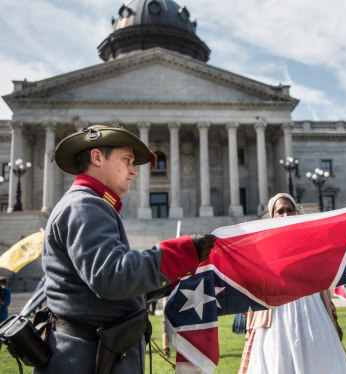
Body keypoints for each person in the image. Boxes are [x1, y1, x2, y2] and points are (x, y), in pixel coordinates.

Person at [36, 124, 215, 374]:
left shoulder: (89, 204)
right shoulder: (85, 205)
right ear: (97, 157)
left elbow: (102, 293)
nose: (134, 170)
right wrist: (181, 253)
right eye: (127, 160)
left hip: (93, 354)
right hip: (87, 359)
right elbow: (110, 277)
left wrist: (169, 281)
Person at [239, 193, 346, 374]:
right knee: (277, 360)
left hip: (310, 309)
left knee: (317, 359)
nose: (285, 215)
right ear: (273, 216)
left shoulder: (309, 242)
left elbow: (321, 277)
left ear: (295, 212)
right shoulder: (262, 246)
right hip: (276, 315)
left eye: (289, 210)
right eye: (280, 212)